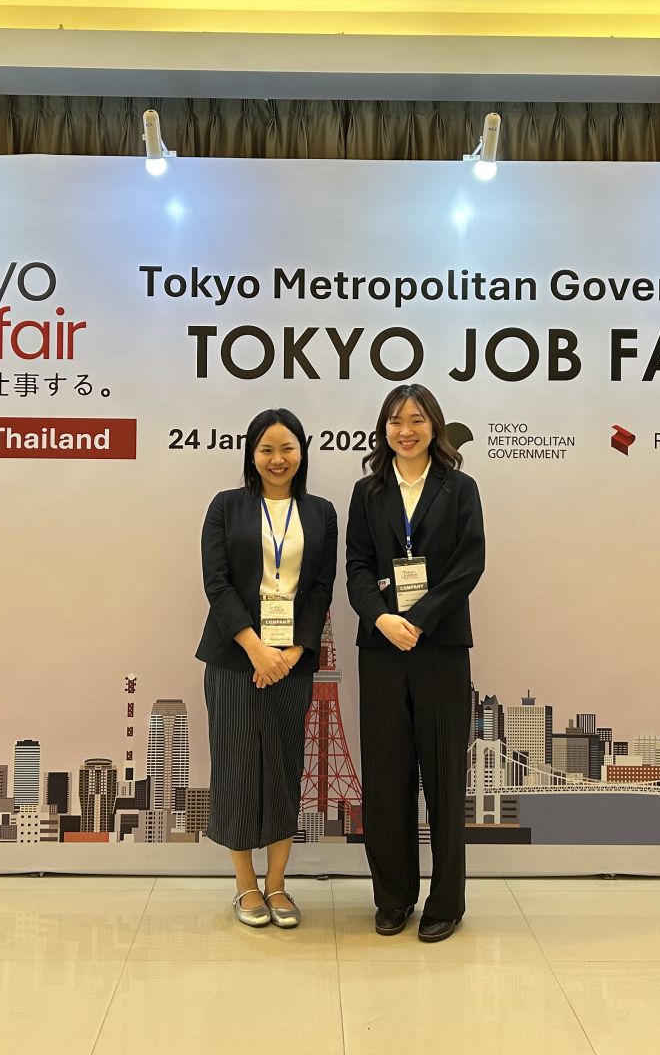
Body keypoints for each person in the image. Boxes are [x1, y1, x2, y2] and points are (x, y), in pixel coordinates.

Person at [345, 383, 484, 943]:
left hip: (440, 647)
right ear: (384, 429)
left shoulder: (460, 487)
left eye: (417, 420)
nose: (406, 430)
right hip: (381, 649)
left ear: (435, 427)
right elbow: (356, 566)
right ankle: (392, 896)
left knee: (444, 777)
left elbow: (469, 563)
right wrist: (382, 619)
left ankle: (446, 902)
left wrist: (419, 618)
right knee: (386, 777)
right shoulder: (367, 491)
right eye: (396, 420)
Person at [196, 407, 337, 928]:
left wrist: (295, 651)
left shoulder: (322, 512)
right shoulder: (226, 506)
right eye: (267, 449)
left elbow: (320, 587)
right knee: (236, 769)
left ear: (302, 453)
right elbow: (216, 583)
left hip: (292, 662)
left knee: (282, 769)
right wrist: (255, 648)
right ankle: (245, 886)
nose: (278, 459)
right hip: (236, 658)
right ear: (251, 455)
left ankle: (277, 884)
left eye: (287, 448)